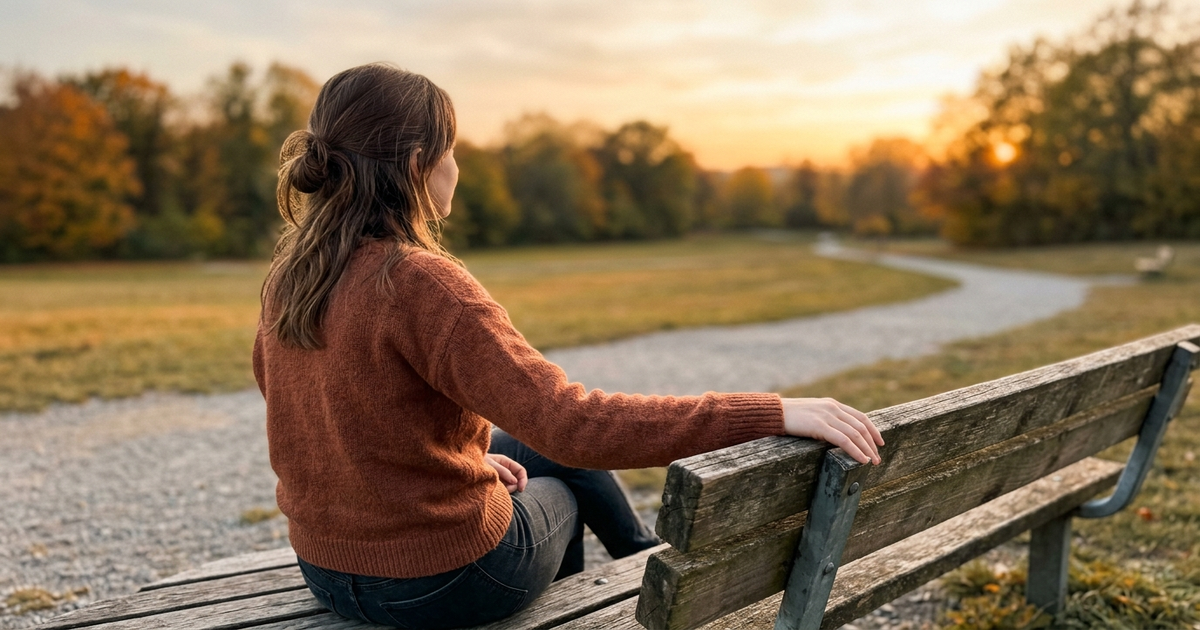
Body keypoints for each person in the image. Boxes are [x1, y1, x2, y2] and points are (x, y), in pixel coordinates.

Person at [253, 63, 884, 630]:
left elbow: (323, 416)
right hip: (443, 583)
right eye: (452, 150)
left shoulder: (291, 277)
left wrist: (465, 467)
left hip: (328, 572)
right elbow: (574, 425)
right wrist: (771, 412)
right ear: (419, 161)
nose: (458, 167)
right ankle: (636, 586)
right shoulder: (420, 282)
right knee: (563, 480)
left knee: (526, 448)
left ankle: (643, 561)